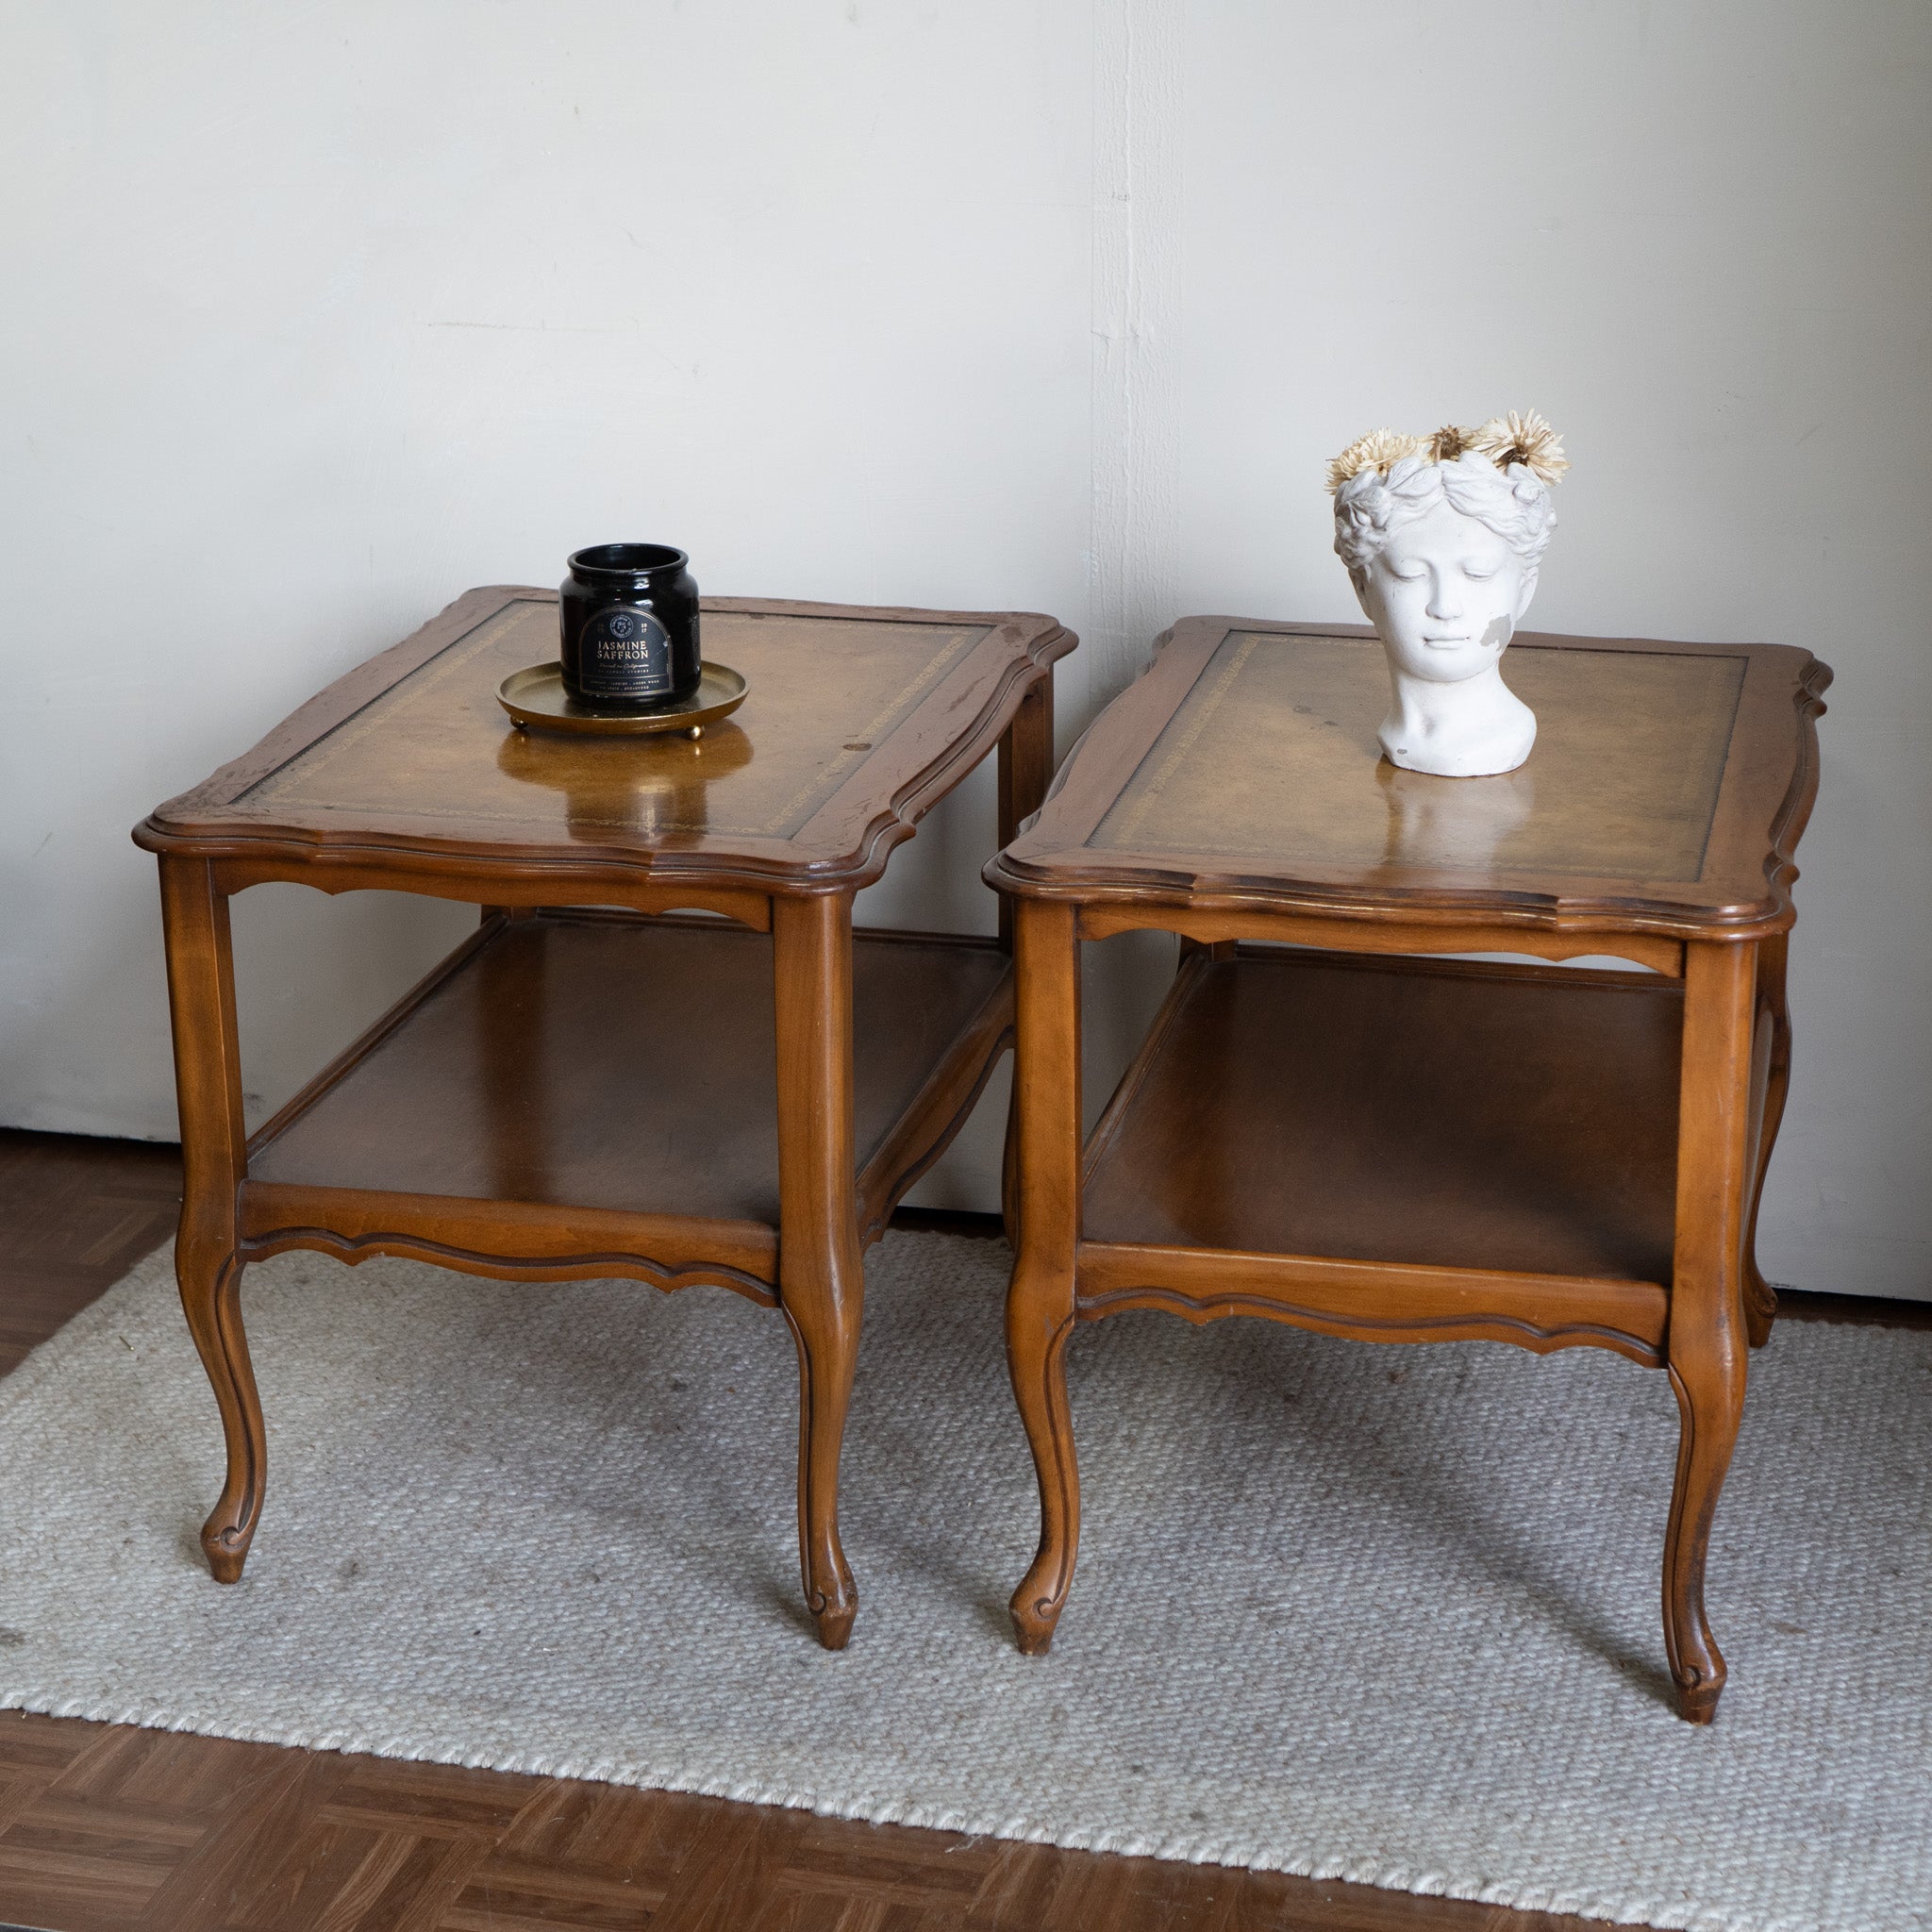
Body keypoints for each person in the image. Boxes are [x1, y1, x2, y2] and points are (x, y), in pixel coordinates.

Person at [1328, 412, 1566, 777]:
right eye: (1412, 574)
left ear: (1525, 589)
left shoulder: (1503, 736)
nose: (1444, 607)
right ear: (1362, 589)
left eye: (1478, 573)